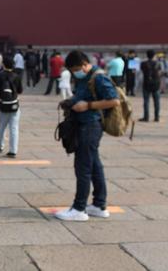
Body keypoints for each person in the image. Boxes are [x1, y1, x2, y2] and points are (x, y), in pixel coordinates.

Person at [55, 51, 119, 222]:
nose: (76, 72)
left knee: (82, 167)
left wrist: (87, 105)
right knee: (95, 166)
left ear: (85, 64)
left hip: (90, 126)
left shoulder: (98, 77)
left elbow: (114, 100)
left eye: (77, 69)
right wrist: (72, 101)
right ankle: (99, 205)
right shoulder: (86, 77)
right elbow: (83, 95)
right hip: (84, 125)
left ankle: (79, 208)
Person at [0, 56, 23, 158]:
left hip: (2, 105)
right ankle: (13, 150)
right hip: (14, 105)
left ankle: (0, 146)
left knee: (2, 126)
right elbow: (20, 91)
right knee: (14, 128)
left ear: (3, 64)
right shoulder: (17, 76)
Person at [140, 50, 161, 122]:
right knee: (157, 102)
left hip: (146, 84)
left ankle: (146, 117)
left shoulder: (143, 63)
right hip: (156, 84)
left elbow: (142, 71)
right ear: (154, 55)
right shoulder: (158, 63)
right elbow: (159, 72)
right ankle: (157, 117)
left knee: (146, 101)